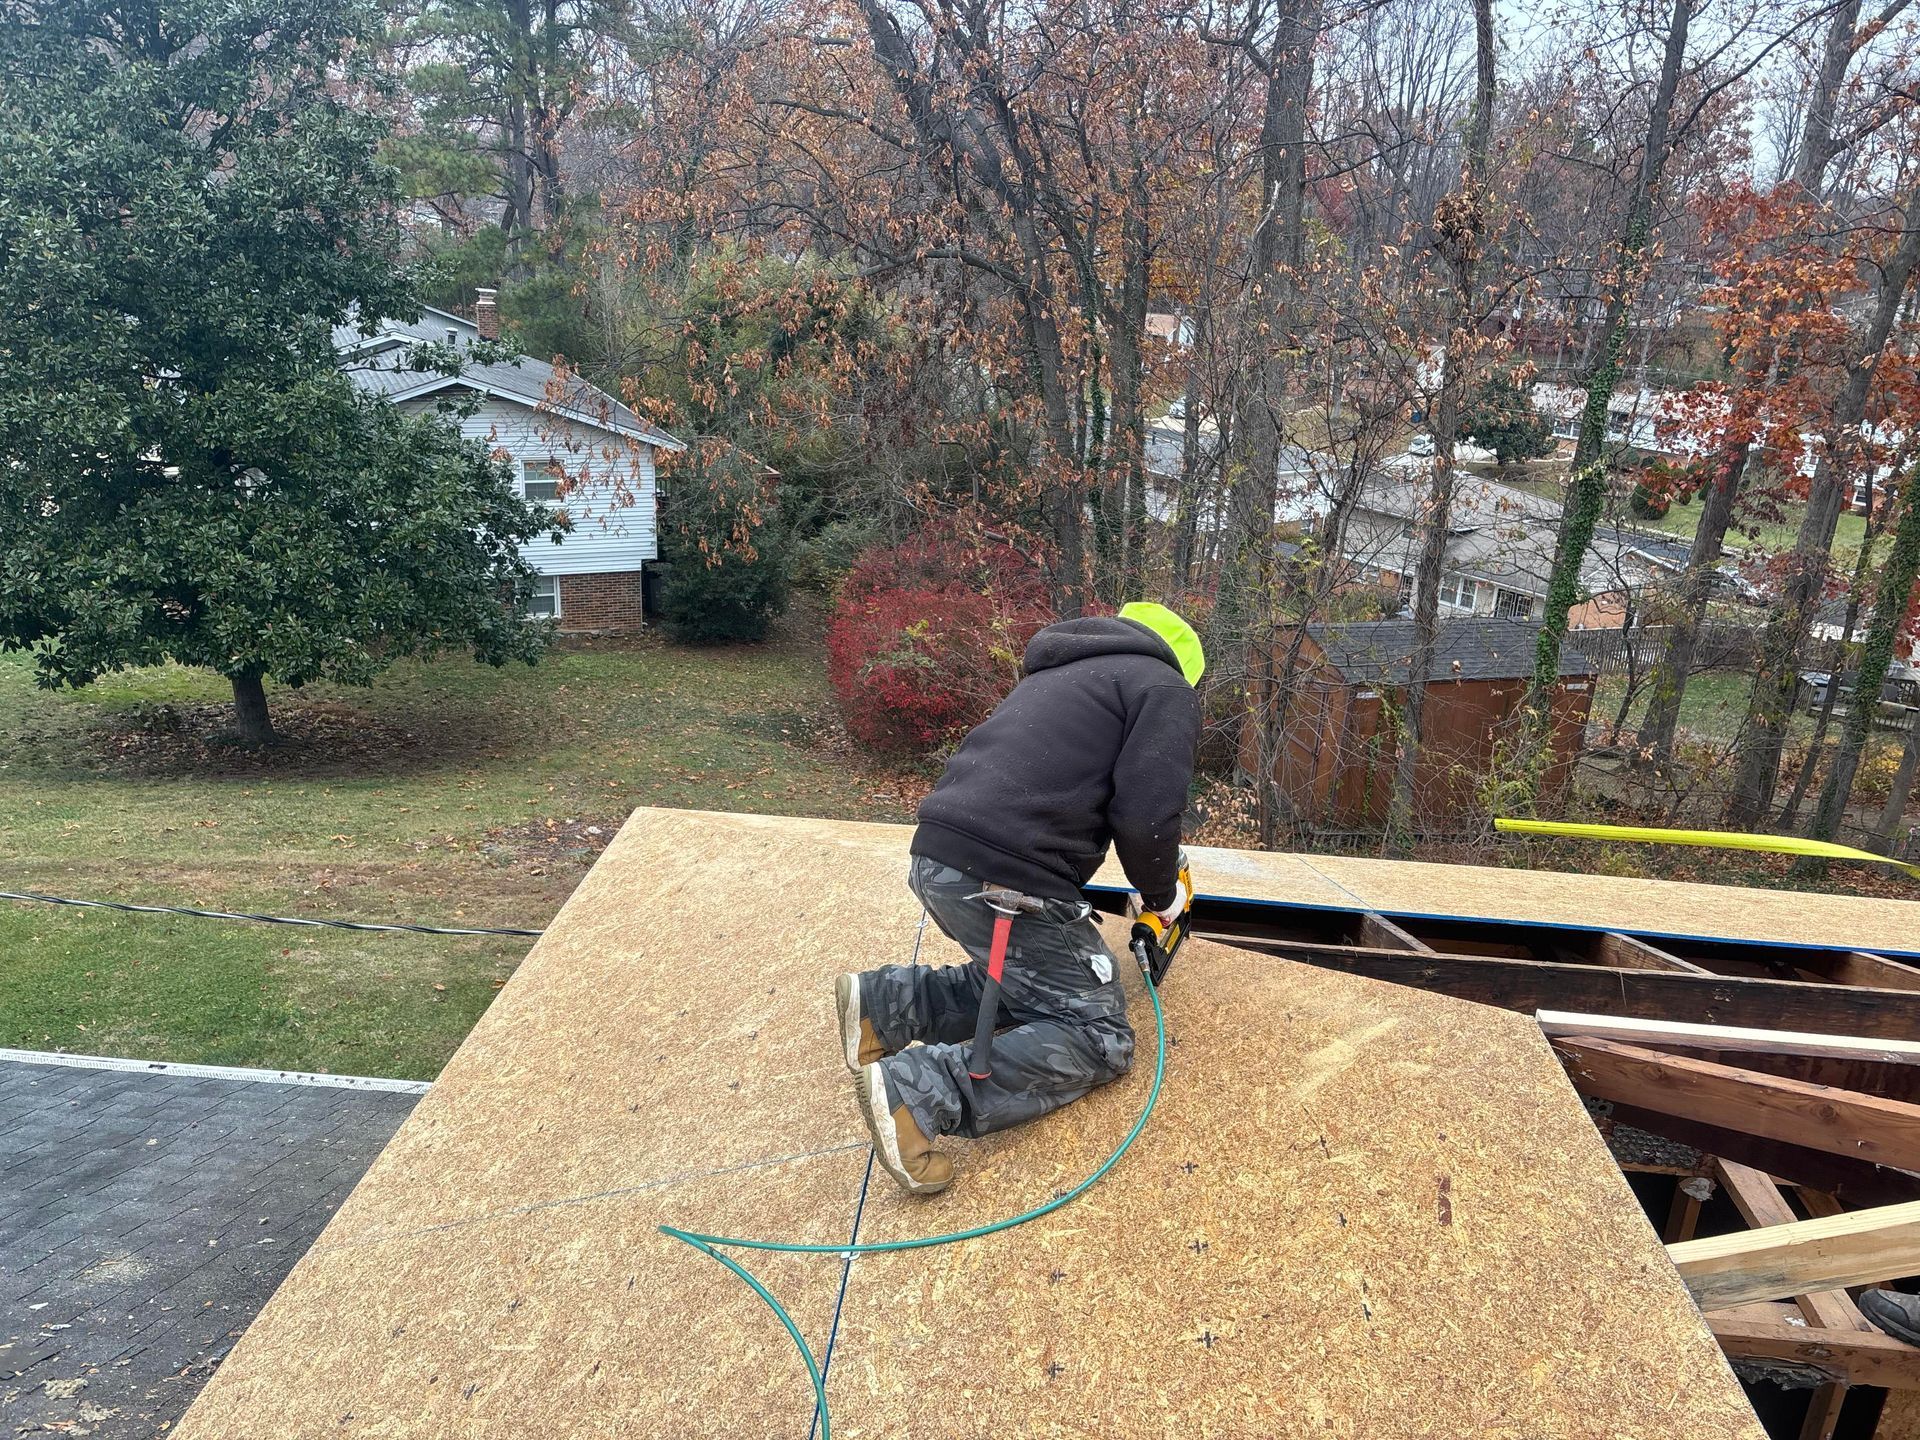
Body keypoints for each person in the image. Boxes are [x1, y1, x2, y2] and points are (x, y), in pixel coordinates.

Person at [833, 601, 1204, 1195]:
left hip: (938, 854)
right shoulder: (1163, 687)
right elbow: (1146, 817)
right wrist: (1161, 897)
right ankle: (919, 1093)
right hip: (1007, 877)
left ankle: (884, 1006)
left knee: (1031, 981)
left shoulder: (1061, 673)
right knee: (1098, 1036)